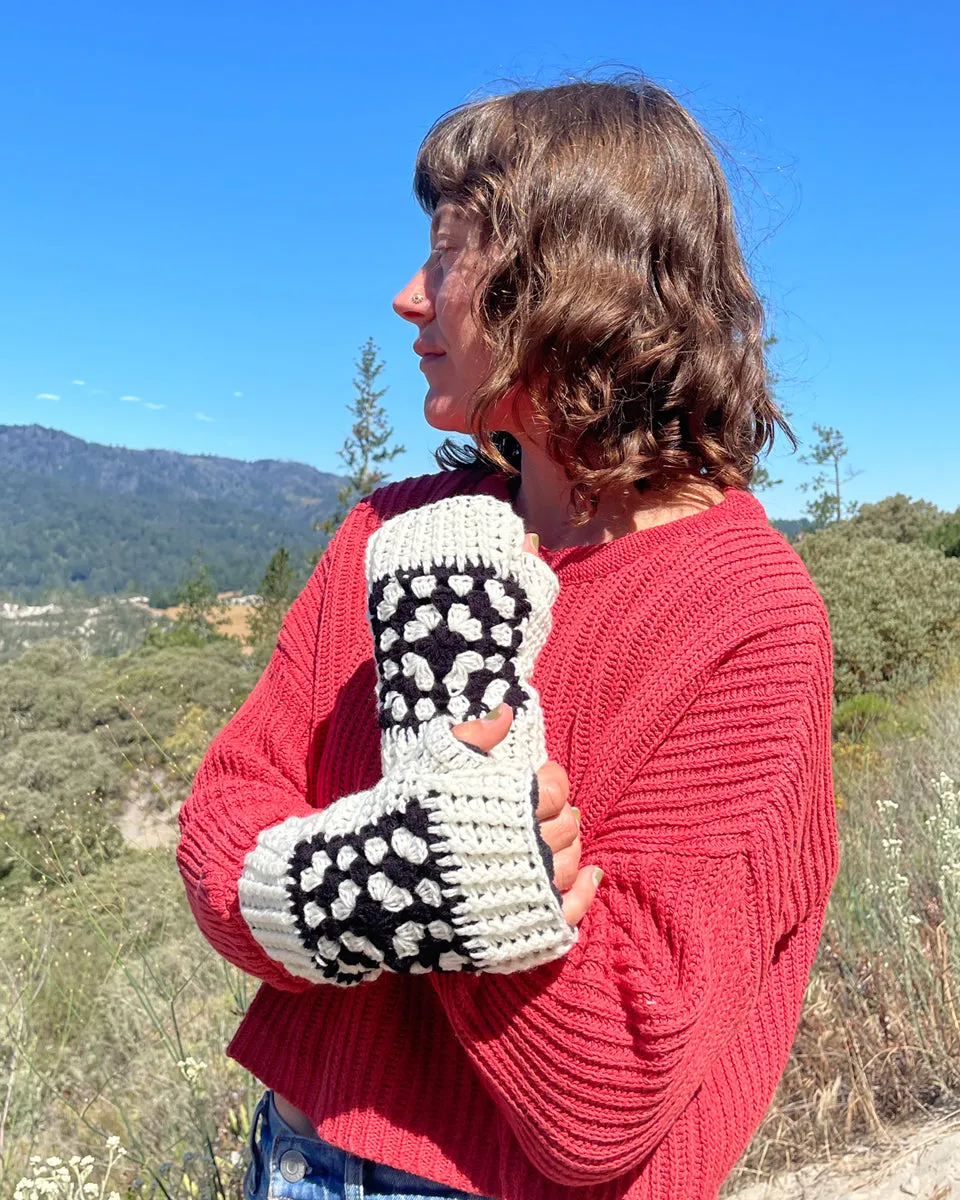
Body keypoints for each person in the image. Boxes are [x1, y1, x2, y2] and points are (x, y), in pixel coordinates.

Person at [176, 75, 839, 1200]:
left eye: (446, 255)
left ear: (566, 283)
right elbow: (218, 825)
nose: (406, 296)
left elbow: (606, 1094)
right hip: (289, 1155)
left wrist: (439, 772)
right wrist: (437, 877)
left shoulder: (748, 620)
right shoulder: (391, 536)